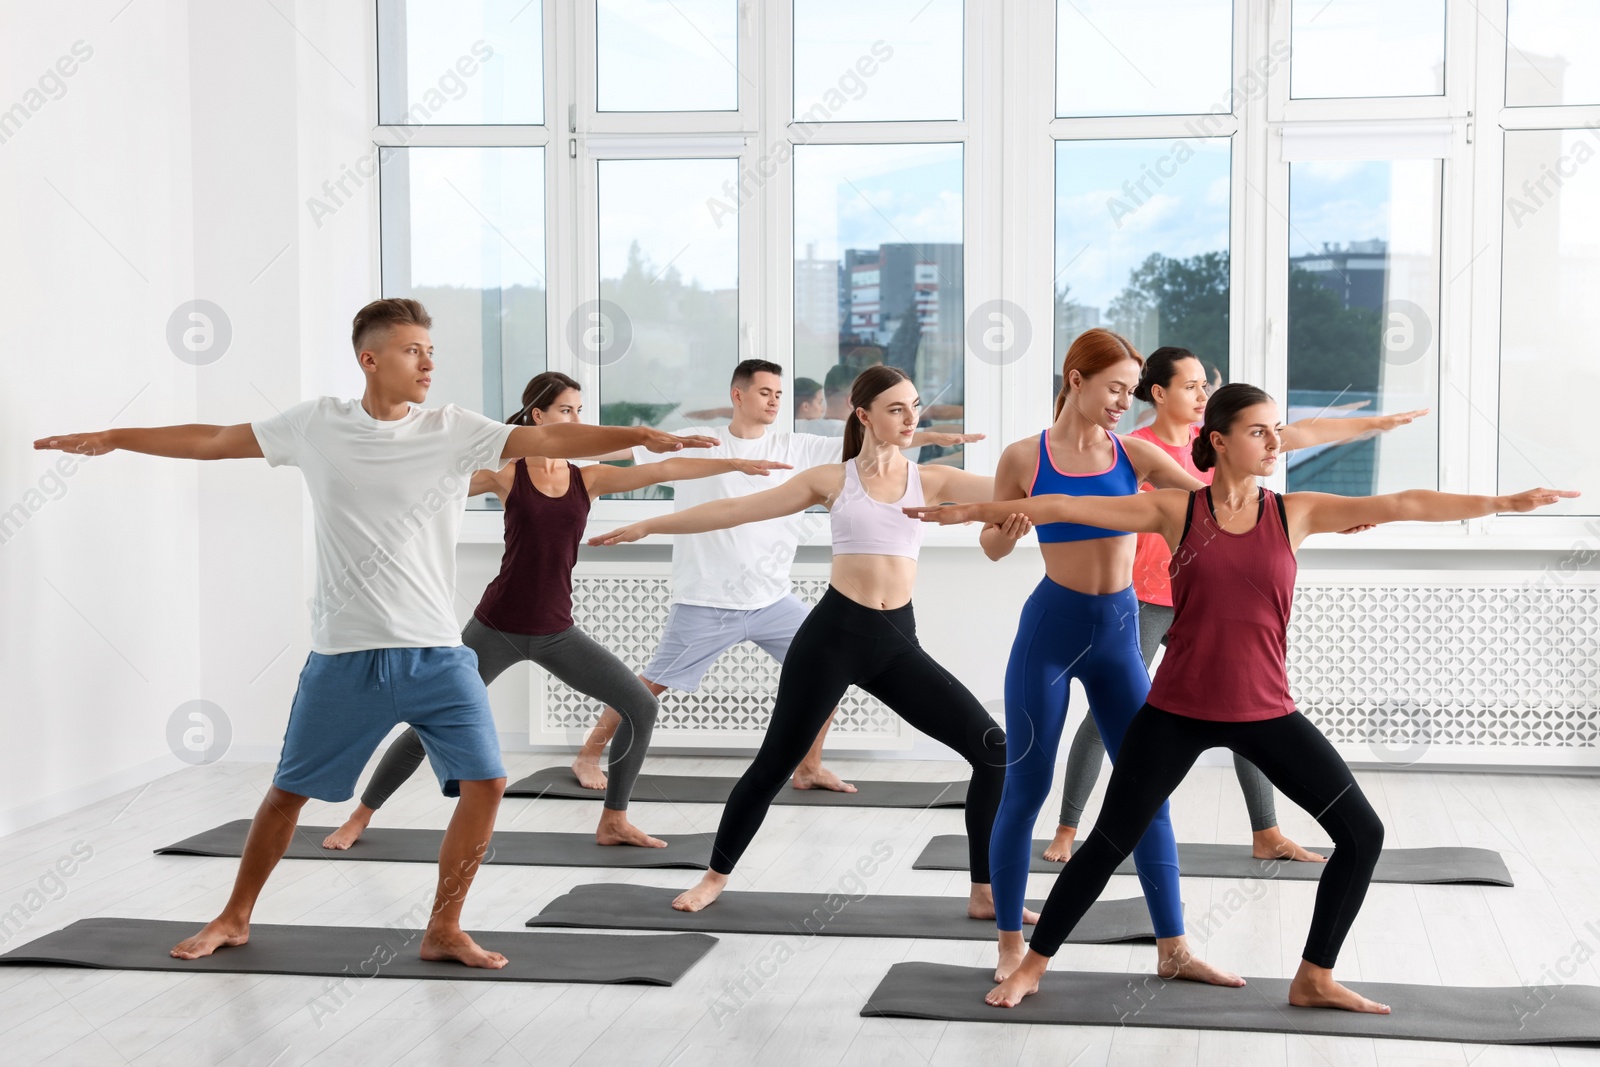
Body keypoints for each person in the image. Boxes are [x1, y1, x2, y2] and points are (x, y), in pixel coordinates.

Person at [33, 299, 712, 967]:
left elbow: (550, 439)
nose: (428, 362)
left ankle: (444, 927)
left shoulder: (452, 427)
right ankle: (234, 915)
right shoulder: (316, 425)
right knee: (286, 795)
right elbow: (214, 440)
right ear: (371, 357)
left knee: (488, 781)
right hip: (344, 653)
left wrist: (642, 436)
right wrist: (118, 436)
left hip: (438, 652)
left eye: (431, 350)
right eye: (414, 349)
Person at [909, 381, 1575, 1012]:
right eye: (1260, 431)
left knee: (1362, 832)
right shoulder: (1179, 509)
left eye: (1276, 430)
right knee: (1109, 840)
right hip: (1175, 710)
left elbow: (1403, 501)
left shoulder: (1297, 510)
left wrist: (1502, 504)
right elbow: (1062, 505)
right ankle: (1031, 963)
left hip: (1267, 710)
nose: (1275, 443)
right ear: (1220, 440)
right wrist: (972, 512)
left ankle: (1315, 975)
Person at [590, 367, 1018, 923]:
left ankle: (983, 892)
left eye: (915, 406)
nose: (912, 418)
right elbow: (735, 510)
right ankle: (715, 877)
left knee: (993, 751)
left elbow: (1028, 493)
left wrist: (1119, 490)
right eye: (896, 409)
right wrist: (651, 524)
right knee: (772, 765)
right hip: (832, 639)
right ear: (863, 416)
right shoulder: (832, 479)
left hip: (896, 644)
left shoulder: (932, 479)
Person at [320, 371, 792, 852]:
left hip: (555, 632)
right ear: (538, 416)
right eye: (567, 411)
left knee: (641, 705)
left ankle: (613, 820)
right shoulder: (507, 472)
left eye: (580, 411)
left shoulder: (588, 478)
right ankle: (360, 816)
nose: (576, 420)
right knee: (429, 720)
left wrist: (733, 463)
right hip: (495, 627)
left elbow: (665, 472)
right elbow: (429, 487)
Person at [1046, 346, 1427, 865]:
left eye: (1206, 386)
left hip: (1216, 601)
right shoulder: (1137, 448)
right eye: (1191, 386)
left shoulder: (1225, 442)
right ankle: (1069, 828)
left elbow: (1301, 435)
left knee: (1249, 713)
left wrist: (1375, 425)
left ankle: (1265, 831)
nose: (1202, 395)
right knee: (1111, 717)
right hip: (1150, 599)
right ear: (1158, 394)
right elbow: (1099, 507)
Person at [569, 359, 979, 795]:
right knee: (647, 687)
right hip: (708, 600)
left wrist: (930, 436)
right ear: (738, 395)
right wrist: (551, 444)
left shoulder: (798, 447)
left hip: (772, 600)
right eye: (765, 392)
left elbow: (875, 438)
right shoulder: (698, 445)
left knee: (829, 675)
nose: (774, 401)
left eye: (779, 394)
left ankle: (810, 767)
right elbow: (617, 453)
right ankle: (588, 754)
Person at [978, 328, 1234, 988]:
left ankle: (1172, 947)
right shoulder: (1022, 458)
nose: (1125, 400)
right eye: (1115, 387)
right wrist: (1005, 532)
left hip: (1120, 636)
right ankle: (1010, 942)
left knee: (1148, 793)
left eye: (1131, 388)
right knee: (1026, 787)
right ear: (1075, 379)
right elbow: (989, 548)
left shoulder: (1137, 454)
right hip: (1051, 636)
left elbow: (1209, 501)